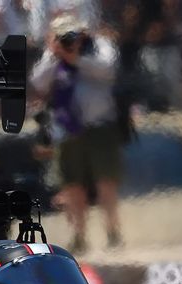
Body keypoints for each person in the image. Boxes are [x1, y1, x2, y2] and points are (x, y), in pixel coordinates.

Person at [30, 15, 123, 254]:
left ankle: (113, 232)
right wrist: (54, 54)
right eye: (64, 35)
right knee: (72, 185)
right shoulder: (53, 54)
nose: (70, 39)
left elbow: (109, 71)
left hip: (98, 125)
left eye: (73, 34)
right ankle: (79, 236)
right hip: (66, 128)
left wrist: (76, 59)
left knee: (105, 181)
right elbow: (38, 82)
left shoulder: (99, 46)